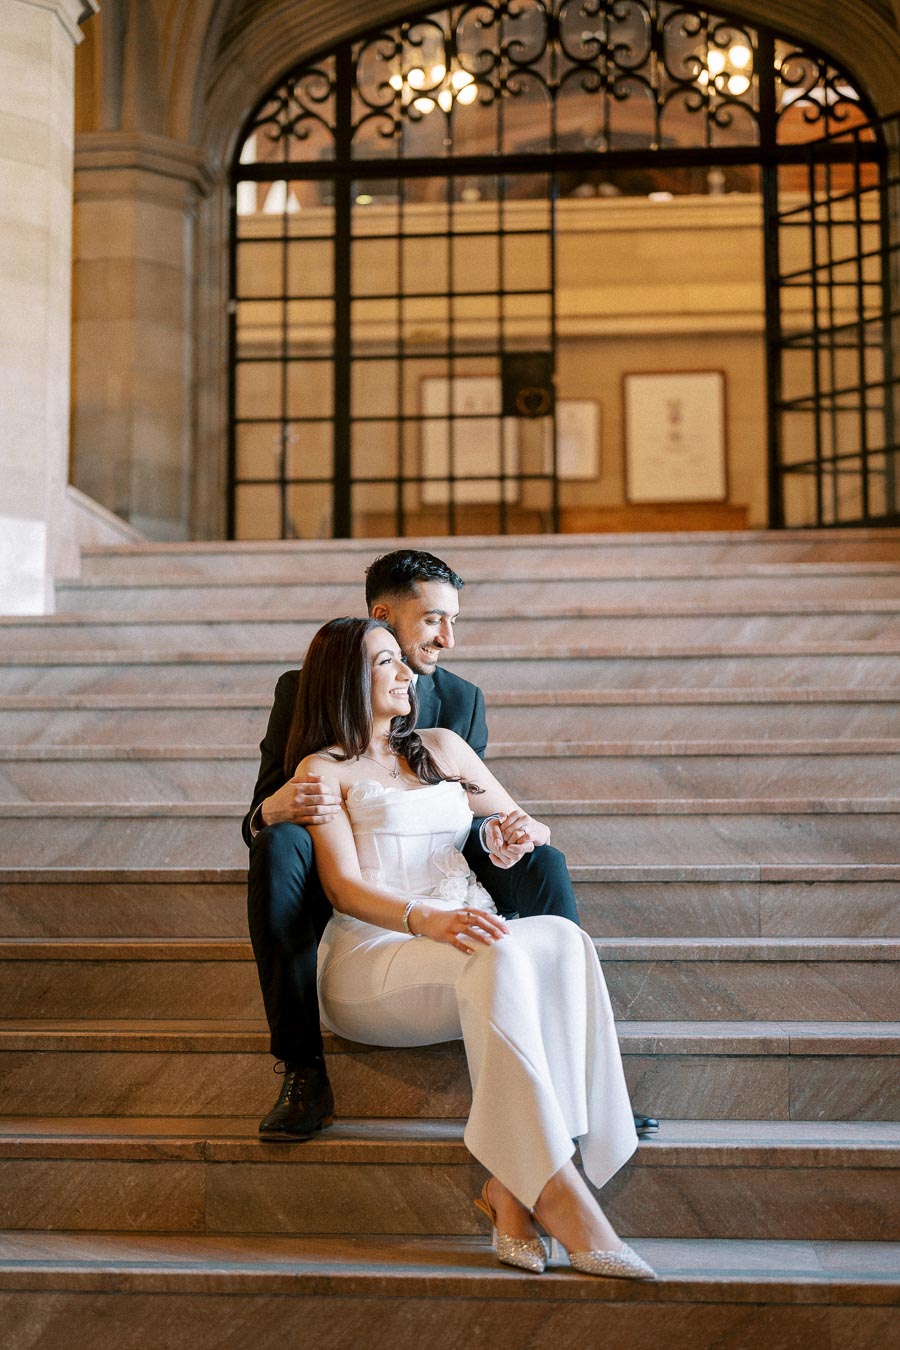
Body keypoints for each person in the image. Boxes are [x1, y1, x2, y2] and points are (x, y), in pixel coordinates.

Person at [243, 549, 658, 1142]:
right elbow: (271, 809)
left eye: (454, 621)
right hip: (339, 867)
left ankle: (586, 1080)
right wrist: (272, 811)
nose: (448, 639)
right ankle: (303, 1070)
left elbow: (470, 815)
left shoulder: (457, 706)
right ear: (384, 617)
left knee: (547, 869)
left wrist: (508, 837)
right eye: (434, 619)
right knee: (279, 843)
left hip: (440, 863)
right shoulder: (311, 698)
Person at [285, 615, 655, 1279]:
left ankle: (510, 1193)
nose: (405, 673)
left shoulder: (444, 748)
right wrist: (424, 918)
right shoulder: (325, 771)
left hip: (469, 935)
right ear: (344, 678)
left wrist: (505, 839)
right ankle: (561, 1192)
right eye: (384, 663)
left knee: (563, 939)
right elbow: (341, 888)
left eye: (402, 660)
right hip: (376, 956)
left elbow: (523, 824)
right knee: (499, 951)